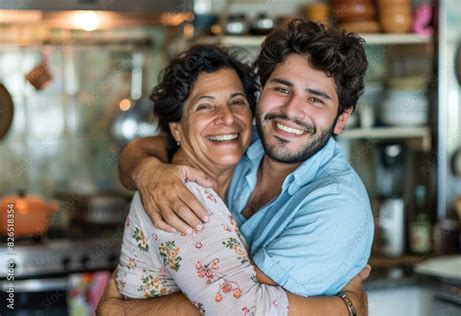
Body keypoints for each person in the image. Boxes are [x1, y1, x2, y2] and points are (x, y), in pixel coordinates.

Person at [99, 19, 374, 315]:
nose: (292, 111)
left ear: (342, 119)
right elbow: (234, 302)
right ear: (263, 91)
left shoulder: (336, 204)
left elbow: (232, 303)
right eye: (282, 89)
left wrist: (123, 313)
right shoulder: (213, 164)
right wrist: (145, 170)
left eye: (315, 98)